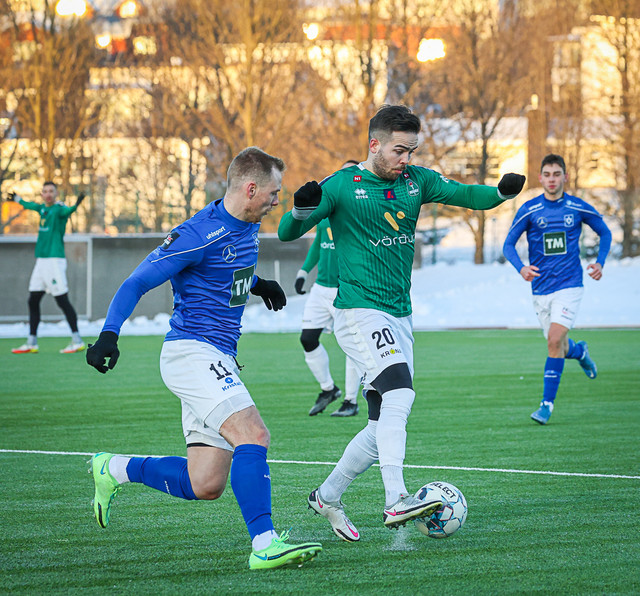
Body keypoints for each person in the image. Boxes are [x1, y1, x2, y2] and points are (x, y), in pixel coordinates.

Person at [278, 104, 526, 541]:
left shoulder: (416, 181)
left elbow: (467, 195)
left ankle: (327, 496)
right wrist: (301, 209)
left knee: (380, 424)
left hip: (399, 314)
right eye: (399, 150)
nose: (406, 159)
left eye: (411, 150)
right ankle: (396, 498)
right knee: (399, 391)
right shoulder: (342, 185)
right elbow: (287, 233)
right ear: (374, 144)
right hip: (358, 310)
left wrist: (501, 193)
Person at [85, 147, 321, 570]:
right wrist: (108, 335)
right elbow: (136, 282)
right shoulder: (197, 233)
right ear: (251, 189)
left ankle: (115, 468)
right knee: (253, 435)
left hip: (218, 356)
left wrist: (258, 284)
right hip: (191, 352)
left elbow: (222, 270)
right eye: (273, 193)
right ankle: (265, 543)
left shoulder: (247, 224)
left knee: (205, 482)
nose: (277, 201)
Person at [502, 153, 611, 425]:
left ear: (565, 177)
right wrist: (521, 268)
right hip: (541, 289)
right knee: (558, 345)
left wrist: (599, 262)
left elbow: (605, 232)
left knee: (553, 340)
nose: (552, 179)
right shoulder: (529, 209)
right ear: (540, 178)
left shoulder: (577, 207)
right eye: (547, 175)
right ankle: (580, 352)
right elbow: (508, 245)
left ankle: (546, 405)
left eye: (557, 174)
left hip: (570, 285)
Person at [295, 159, 361, 417]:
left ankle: (351, 401)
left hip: (346, 291)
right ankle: (328, 389)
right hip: (321, 289)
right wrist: (303, 272)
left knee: (351, 346)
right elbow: (318, 244)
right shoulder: (327, 204)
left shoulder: (360, 209)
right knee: (307, 339)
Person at [7, 182, 85, 354]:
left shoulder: (59, 210)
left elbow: (68, 211)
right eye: (45, 191)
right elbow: (31, 205)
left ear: (56, 194)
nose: (48, 194)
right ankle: (32, 342)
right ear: (42, 194)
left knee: (62, 300)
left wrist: (76, 205)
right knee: (33, 300)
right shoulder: (42, 208)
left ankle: (77, 340)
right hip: (41, 261)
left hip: (54, 261)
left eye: (51, 191)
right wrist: (18, 199)